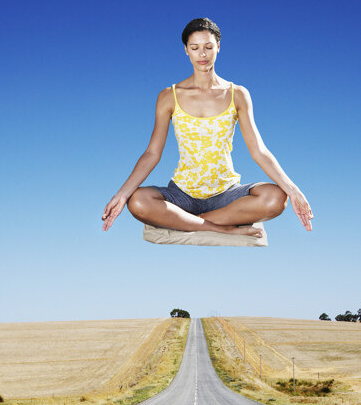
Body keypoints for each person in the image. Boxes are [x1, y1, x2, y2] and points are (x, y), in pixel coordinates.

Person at [102, 17, 313, 240]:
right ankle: (219, 226)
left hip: (226, 194)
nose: (202, 54)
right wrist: (122, 194)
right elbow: (152, 153)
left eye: (208, 47)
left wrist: (293, 189)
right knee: (137, 201)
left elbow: (258, 150)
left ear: (219, 47)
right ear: (186, 50)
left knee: (276, 198)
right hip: (181, 194)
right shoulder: (168, 96)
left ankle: (191, 221)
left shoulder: (238, 94)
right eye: (195, 48)